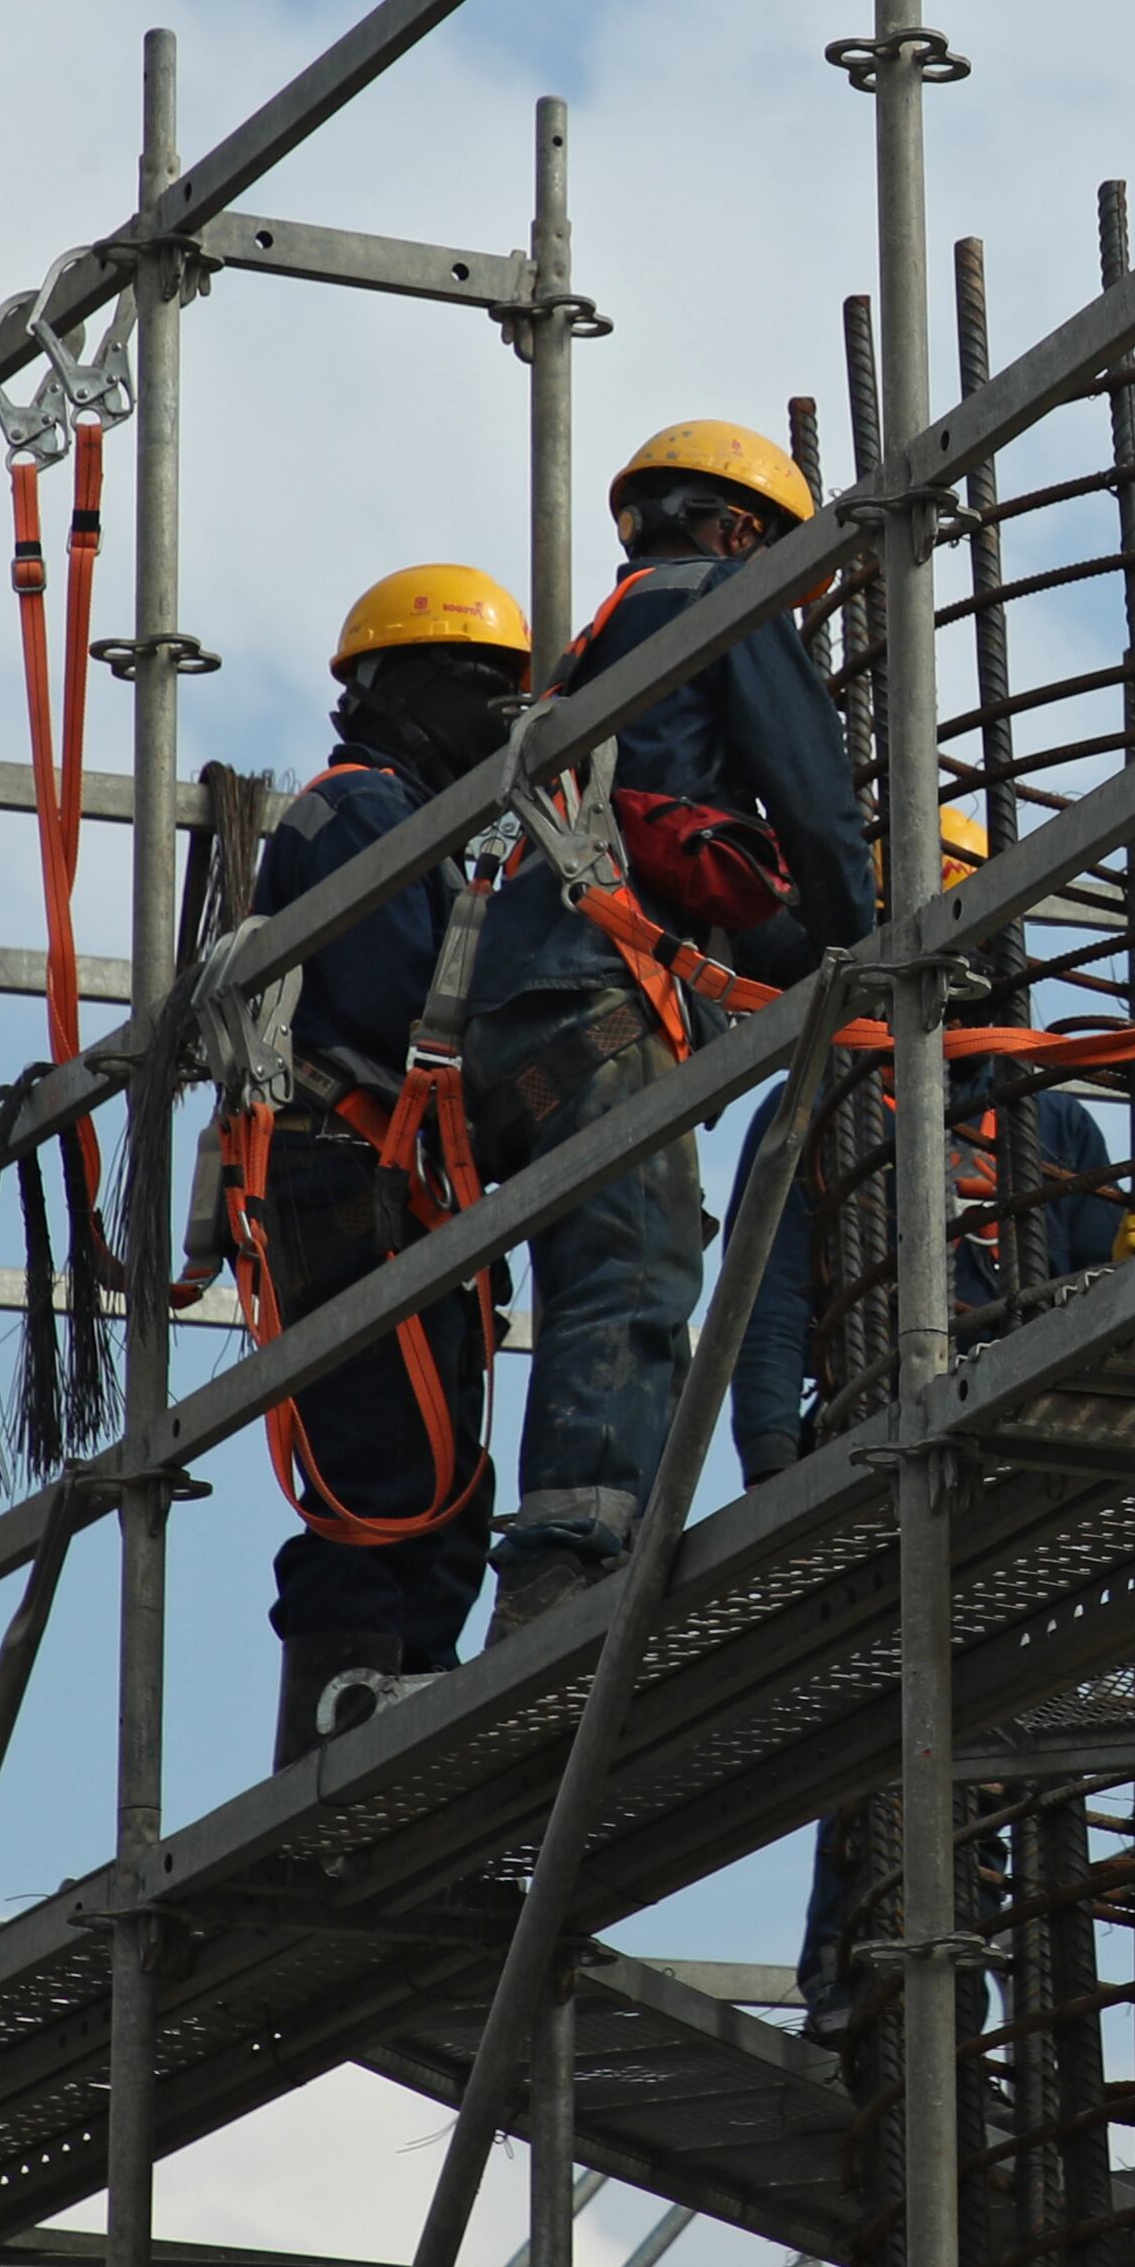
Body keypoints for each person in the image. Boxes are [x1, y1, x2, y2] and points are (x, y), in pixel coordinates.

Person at [754, 806, 1135, 2037]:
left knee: (998, 1726)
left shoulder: (1053, 1122)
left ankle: (974, 1996)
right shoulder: (832, 1103)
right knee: (885, 1723)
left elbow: (1102, 1279)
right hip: (877, 1446)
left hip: (1018, 1457)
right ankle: (858, 1973)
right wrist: (773, 1463)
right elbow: (772, 1304)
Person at [469, 418, 875, 1635]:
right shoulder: (721, 597)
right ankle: (568, 1565)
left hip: (507, 1012)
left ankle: (559, 1547)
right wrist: (871, 940)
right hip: (600, 995)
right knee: (635, 1263)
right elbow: (809, 800)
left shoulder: (590, 656)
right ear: (741, 528)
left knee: (587, 1262)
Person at [228, 564, 532, 1762]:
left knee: (446, 1481)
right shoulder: (357, 813)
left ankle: (409, 1717)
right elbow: (405, 1003)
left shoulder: (419, 822)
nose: (498, 722)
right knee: (382, 1472)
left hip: (397, 1185)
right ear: (398, 687)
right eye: (483, 693)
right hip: (347, 1172)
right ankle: (339, 1745)